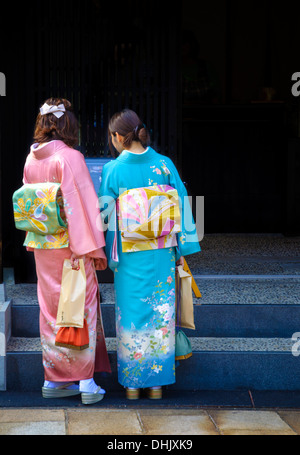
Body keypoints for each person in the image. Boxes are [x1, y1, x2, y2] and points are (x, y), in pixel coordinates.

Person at [99, 109, 200, 399]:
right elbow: (182, 206)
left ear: (118, 137)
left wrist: (108, 253)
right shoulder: (164, 165)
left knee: (131, 316)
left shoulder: (113, 171)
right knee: (160, 315)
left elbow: (106, 217)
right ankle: (156, 384)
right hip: (161, 254)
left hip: (130, 256)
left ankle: (132, 385)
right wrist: (183, 248)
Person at [20, 98, 111, 404]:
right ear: (69, 125)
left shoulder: (31, 159)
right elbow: (82, 205)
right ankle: (85, 382)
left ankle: (54, 379)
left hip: (43, 247)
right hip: (73, 247)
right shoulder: (70, 157)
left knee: (50, 311)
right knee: (78, 309)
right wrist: (93, 248)